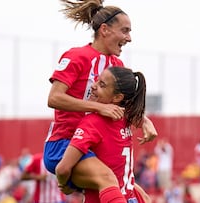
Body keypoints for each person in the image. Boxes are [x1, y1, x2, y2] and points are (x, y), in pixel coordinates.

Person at [43, 0, 157, 202]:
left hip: (99, 147)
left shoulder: (117, 65)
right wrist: (98, 107)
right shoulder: (76, 56)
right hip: (65, 145)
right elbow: (54, 98)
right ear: (104, 30)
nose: (129, 38)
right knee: (108, 180)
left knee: (141, 196)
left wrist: (144, 121)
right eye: (125, 31)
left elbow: (120, 107)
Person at [55, 67, 149, 202]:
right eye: (97, 80)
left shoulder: (93, 122)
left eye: (102, 85)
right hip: (129, 197)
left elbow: (63, 168)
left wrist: (67, 185)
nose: (93, 86)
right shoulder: (125, 119)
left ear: (117, 97)